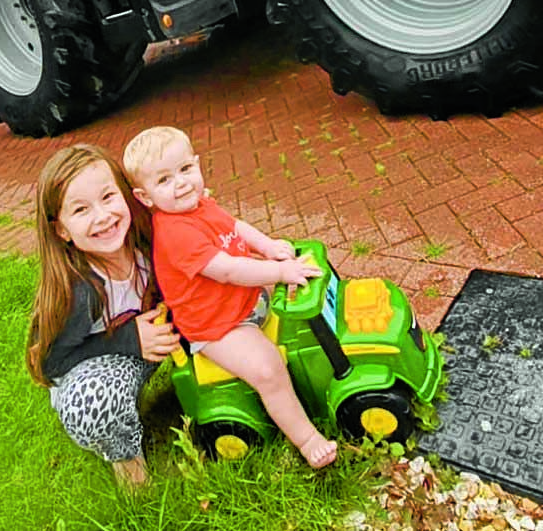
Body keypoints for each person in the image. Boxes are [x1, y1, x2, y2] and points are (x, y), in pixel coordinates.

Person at [122, 125, 338, 469]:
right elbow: (228, 271)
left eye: (185, 170)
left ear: (197, 163)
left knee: (303, 306)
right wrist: (280, 272)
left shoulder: (199, 204)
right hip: (219, 327)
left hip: (244, 300)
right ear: (145, 197)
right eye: (163, 180)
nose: (180, 183)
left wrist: (267, 247)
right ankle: (308, 440)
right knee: (269, 370)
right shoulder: (176, 232)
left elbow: (234, 227)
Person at [26, 144, 180, 489]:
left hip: (149, 342)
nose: (103, 216)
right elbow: (50, 364)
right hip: (93, 371)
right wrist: (129, 339)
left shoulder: (145, 241)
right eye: (81, 209)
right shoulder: (77, 291)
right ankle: (132, 475)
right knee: (95, 399)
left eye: (108, 197)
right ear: (62, 230)